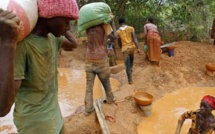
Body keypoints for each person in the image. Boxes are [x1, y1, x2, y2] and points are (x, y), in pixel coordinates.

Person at [0, 0, 79, 133]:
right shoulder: (20, 46)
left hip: (55, 117)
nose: (68, 28)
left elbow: (73, 43)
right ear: (50, 16)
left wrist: (62, 21)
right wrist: (8, 42)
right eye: (66, 21)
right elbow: (3, 108)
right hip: (34, 125)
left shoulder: (53, 39)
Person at [84, 19, 117, 115]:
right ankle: (110, 99)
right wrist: (112, 24)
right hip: (101, 58)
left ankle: (88, 108)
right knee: (106, 82)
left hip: (89, 58)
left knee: (89, 86)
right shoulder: (104, 25)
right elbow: (114, 37)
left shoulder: (88, 24)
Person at [117, 17, 140, 84]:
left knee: (127, 65)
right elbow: (135, 38)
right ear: (125, 21)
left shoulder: (118, 32)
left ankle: (130, 80)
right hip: (132, 48)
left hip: (125, 49)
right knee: (131, 60)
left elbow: (119, 42)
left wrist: (121, 47)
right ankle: (131, 69)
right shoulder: (131, 28)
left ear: (119, 23)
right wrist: (138, 47)